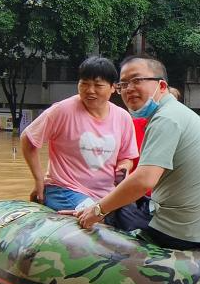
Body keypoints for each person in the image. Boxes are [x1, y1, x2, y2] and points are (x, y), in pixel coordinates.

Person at [68, 56, 200, 250]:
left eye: (137, 80)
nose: (129, 89)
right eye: (124, 84)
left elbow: (144, 180)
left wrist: (97, 209)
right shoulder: (177, 113)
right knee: (119, 201)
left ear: (161, 86)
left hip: (179, 234)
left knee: (112, 208)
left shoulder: (165, 119)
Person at [21, 56, 138, 212]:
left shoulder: (123, 117)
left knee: (136, 221)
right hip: (64, 190)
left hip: (107, 195)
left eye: (98, 85)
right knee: (95, 218)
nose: (90, 91)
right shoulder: (62, 111)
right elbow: (28, 139)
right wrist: (38, 180)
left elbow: (126, 157)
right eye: (84, 84)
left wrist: (123, 169)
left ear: (113, 87)